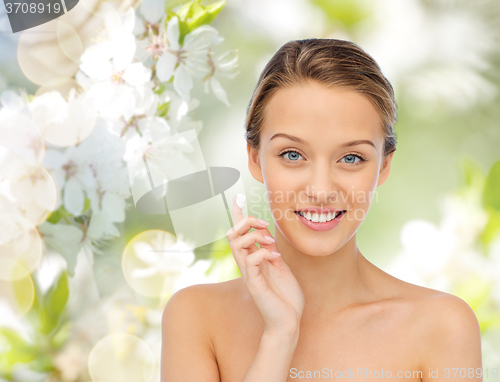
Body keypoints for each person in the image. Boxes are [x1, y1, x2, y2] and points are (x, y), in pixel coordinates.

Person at [160, 39, 483, 382]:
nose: (321, 191)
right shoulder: (196, 318)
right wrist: (279, 336)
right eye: (293, 155)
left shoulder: (442, 326)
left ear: (384, 166)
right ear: (255, 157)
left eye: (351, 158)